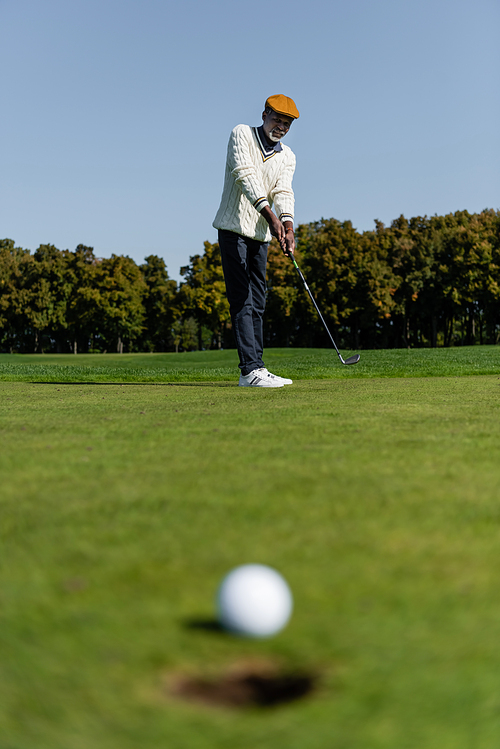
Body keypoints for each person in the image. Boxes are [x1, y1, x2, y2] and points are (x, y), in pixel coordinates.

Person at [213, 94, 299, 388]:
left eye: (286, 124)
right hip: (233, 229)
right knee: (242, 300)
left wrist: (288, 226)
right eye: (277, 120)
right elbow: (245, 176)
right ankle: (248, 370)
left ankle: (258, 368)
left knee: (259, 301)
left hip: (260, 236)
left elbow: (283, 191)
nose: (281, 128)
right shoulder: (241, 134)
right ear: (264, 115)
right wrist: (271, 218)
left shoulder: (288, 156)